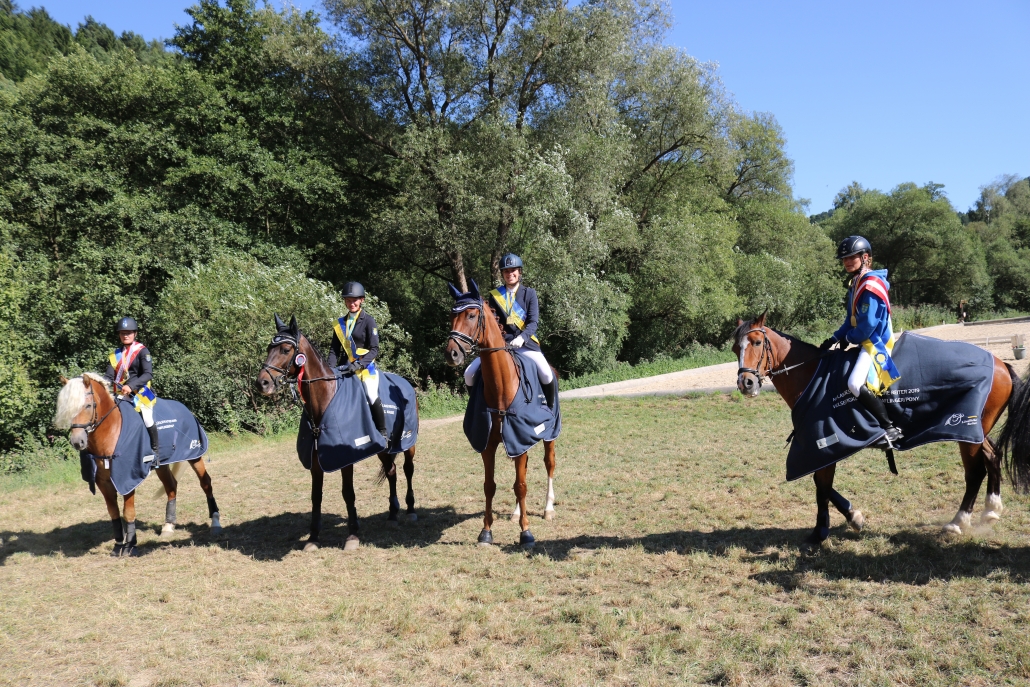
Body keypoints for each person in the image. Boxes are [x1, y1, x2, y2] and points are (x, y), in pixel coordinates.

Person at [820, 236, 903, 444]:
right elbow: (851, 320)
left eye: (852, 257)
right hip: (864, 339)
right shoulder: (856, 283)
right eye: (844, 259)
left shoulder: (871, 285)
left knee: (854, 383)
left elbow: (867, 325)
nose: (847, 262)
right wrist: (835, 338)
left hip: (876, 341)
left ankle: (889, 427)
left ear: (865, 258)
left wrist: (849, 338)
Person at [463, 253, 558, 410]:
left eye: (513, 270)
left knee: (547, 373)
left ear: (519, 272)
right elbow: (492, 323)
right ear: (502, 274)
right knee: (469, 373)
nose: (510, 274)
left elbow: (533, 322)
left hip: (525, 344)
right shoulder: (495, 296)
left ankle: (549, 409)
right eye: (506, 271)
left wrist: (522, 338)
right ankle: (476, 408)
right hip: (501, 345)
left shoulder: (529, 294)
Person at [329, 282, 388, 440]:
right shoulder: (340, 324)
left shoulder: (369, 321)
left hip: (365, 367)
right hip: (345, 367)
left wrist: (360, 363)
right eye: (348, 300)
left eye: (354, 300)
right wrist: (329, 369)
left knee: (371, 394)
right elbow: (334, 350)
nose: (351, 303)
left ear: (361, 300)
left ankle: (382, 432)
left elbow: (374, 349)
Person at [104, 316, 160, 458]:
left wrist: (131, 386)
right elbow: (109, 377)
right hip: (121, 394)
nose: (125, 335)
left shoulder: (142, 351)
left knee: (147, 418)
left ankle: (155, 452)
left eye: (129, 332)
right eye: (123, 333)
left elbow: (148, 374)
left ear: (135, 334)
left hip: (141, 393)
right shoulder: (115, 355)